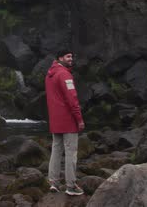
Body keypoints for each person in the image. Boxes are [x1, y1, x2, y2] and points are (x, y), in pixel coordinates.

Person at [45, 49, 85, 196]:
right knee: (70, 153)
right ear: (60, 58)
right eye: (68, 56)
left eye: (72, 56)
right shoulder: (64, 75)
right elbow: (72, 99)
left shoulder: (49, 75)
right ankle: (71, 186)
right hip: (68, 121)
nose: (71, 59)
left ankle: (53, 183)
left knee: (56, 151)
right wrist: (79, 119)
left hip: (55, 120)